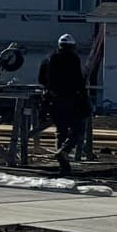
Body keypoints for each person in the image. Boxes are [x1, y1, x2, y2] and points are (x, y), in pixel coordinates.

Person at [37, 34, 89, 173]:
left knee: (61, 131)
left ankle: (63, 165)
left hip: (53, 101)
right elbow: (79, 82)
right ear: (72, 47)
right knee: (77, 130)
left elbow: (41, 80)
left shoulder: (48, 59)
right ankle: (64, 151)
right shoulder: (72, 59)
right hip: (71, 100)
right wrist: (85, 101)